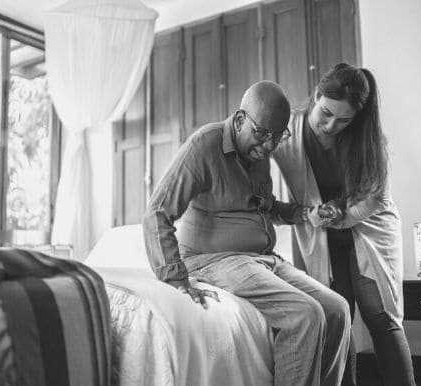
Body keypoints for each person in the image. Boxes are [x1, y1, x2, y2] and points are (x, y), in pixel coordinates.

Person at [143, 80, 351, 386]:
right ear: (240, 120)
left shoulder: (258, 153)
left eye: (277, 137)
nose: (268, 145)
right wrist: (176, 278)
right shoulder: (204, 145)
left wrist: (303, 213)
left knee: (337, 309)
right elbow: (157, 212)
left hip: (262, 258)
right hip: (215, 259)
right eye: (262, 134)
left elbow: (265, 207)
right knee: (305, 315)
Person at [272, 63, 415, 386]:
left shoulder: (366, 138)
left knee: (381, 315)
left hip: (369, 228)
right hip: (318, 231)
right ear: (316, 95)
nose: (331, 125)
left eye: (344, 120)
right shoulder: (287, 132)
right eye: (326, 113)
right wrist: (305, 214)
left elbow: (374, 198)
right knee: (338, 316)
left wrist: (340, 215)